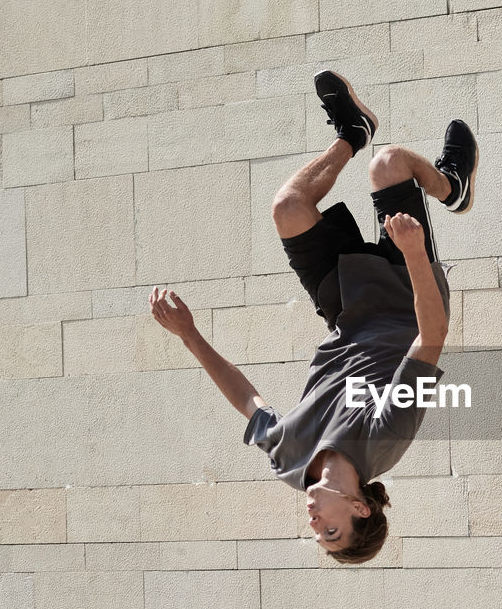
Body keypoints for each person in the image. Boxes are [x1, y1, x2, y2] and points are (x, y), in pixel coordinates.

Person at [149, 69, 478, 564]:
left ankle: (352, 133)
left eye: (316, 533)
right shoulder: (384, 437)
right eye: (329, 531)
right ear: (359, 509)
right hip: (405, 296)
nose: (313, 523)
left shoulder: (290, 462)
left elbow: (247, 401)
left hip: (344, 308)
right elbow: (433, 335)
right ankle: (452, 187)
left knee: (289, 207)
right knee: (390, 165)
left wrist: (190, 335)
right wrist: (412, 253)